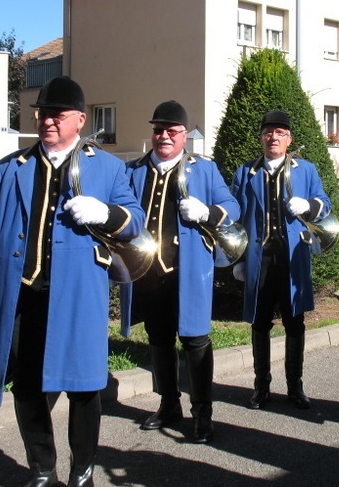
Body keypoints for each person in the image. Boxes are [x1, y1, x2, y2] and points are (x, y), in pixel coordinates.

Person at [0, 76, 145, 487]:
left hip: (79, 296)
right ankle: (42, 468)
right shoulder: (9, 168)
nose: (47, 121)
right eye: (42, 113)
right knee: (27, 387)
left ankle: (83, 470)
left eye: (57, 114)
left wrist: (105, 212)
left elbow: (135, 220)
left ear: (80, 120)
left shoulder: (107, 167)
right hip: (24, 295)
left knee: (85, 388)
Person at [119, 101, 240, 443]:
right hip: (147, 273)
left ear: (184, 136)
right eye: (158, 130)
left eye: (171, 131)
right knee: (158, 341)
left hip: (188, 272)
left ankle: (202, 412)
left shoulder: (203, 170)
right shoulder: (133, 170)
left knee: (195, 341)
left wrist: (208, 211)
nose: (164, 137)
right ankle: (168, 403)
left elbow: (233, 206)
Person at [231, 110, 331, 410]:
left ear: (289, 139)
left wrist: (310, 205)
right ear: (261, 137)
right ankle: (261, 387)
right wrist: (238, 258)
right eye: (268, 132)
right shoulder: (245, 172)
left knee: (295, 323)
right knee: (259, 324)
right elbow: (235, 216)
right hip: (259, 259)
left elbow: (325, 205)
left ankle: (295, 387)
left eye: (279, 133)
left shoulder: (306, 170)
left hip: (292, 259)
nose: (273, 137)